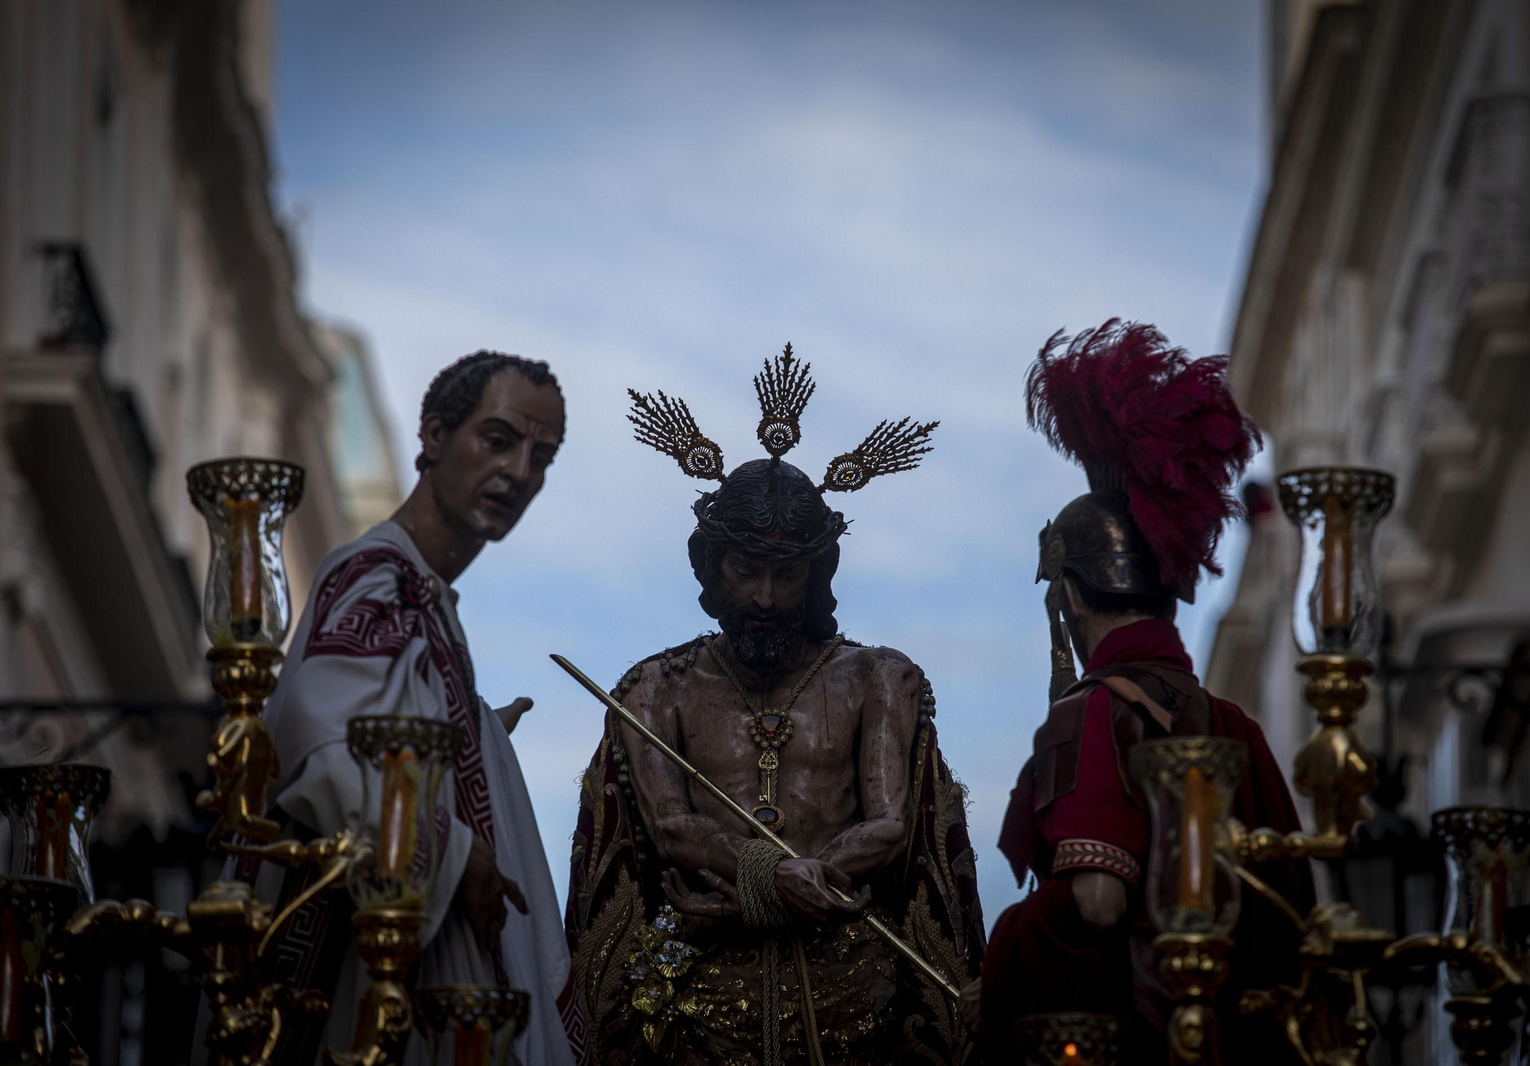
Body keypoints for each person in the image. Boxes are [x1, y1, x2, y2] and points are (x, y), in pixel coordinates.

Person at [564, 347, 983, 1066]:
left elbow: (888, 823)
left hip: (852, 996)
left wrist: (781, 886)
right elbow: (669, 826)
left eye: (784, 574)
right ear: (709, 566)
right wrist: (772, 875)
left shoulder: (881, 680)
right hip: (696, 1002)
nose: (762, 596)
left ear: (817, 573)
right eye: (744, 570)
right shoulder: (653, 689)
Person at [979, 321, 1315, 1064]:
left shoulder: (1094, 710)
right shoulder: (1236, 725)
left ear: (1070, 596)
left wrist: (1003, 948)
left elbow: (1095, 902)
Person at [239, 351, 581, 1065]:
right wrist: (459, 855)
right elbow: (323, 741)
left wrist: (479, 740)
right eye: (497, 440)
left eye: (540, 456)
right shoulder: (376, 574)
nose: (520, 473)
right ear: (432, 436)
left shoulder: (423, 595)